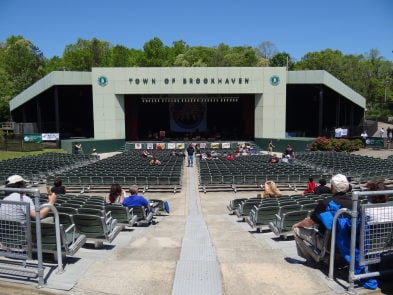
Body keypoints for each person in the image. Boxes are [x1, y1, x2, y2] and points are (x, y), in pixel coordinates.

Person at [292, 174, 351, 263]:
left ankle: (312, 259)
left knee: (296, 229)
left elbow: (310, 222)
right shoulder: (356, 203)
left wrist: (296, 224)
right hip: (350, 242)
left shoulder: (327, 203)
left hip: (329, 243)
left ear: (332, 187)